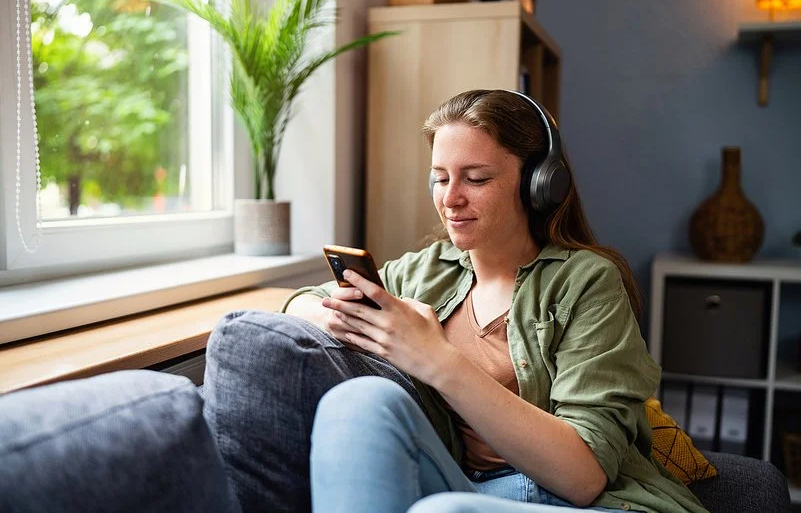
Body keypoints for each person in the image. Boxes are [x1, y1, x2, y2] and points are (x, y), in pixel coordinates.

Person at [199, 89, 708, 513]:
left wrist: (437, 359)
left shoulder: (587, 282)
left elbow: (583, 476)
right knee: (361, 402)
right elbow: (298, 304)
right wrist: (353, 318)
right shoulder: (426, 270)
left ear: (540, 185)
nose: (450, 198)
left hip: (577, 500)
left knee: (441, 512)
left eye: (476, 178)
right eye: (440, 178)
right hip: (471, 486)